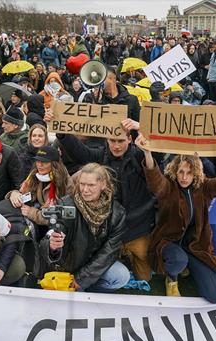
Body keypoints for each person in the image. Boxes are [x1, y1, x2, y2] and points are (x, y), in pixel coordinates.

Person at [137, 135, 216, 303]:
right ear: (175, 171)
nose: (184, 177)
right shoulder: (169, 187)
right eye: (181, 171)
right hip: (169, 242)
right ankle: (172, 278)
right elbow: (156, 181)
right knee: (178, 260)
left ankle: (187, 265)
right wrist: (147, 154)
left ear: (196, 174)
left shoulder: (204, 187)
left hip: (196, 246)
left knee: (214, 296)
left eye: (189, 173)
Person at [52, 119, 157, 280]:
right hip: (109, 225)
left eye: (121, 141)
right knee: (106, 262)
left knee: (143, 270)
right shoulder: (101, 155)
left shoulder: (139, 155)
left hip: (137, 225)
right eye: (112, 141)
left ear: (130, 139)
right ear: (106, 140)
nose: (116, 146)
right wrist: (61, 131)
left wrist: (141, 127)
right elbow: (80, 152)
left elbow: (158, 151)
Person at [35, 163, 130, 292]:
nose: (85, 190)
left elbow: (109, 252)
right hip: (67, 267)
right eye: (82, 184)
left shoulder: (117, 212)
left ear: (103, 185)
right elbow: (52, 234)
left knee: (121, 276)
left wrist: (81, 279)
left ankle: (89, 293)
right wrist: (53, 246)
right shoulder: (65, 204)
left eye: (91, 185)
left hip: (92, 265)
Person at [1, 145, 72, 243]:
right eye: (37, 161)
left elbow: (64, 216)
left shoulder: (65, 183)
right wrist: (14, 193)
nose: (39, 165)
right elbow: (24, 195)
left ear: (54, 164)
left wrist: (33, 213)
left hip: (55, 230)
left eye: (44, 162)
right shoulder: (34, 175)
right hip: (39, 223)